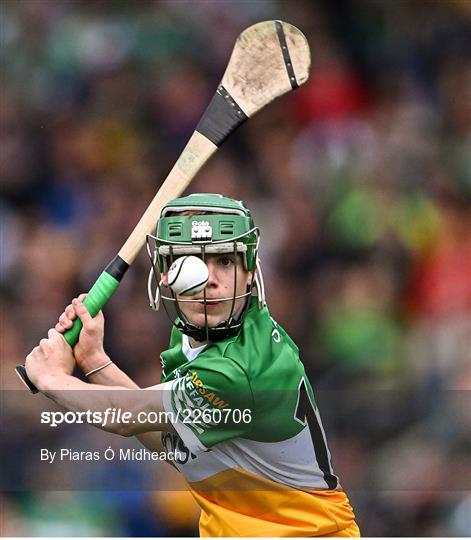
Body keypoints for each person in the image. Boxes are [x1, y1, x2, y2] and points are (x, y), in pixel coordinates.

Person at [25, 193, 360, 537]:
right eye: (191, 263)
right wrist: (95, 361)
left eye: (225, 262)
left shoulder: (237, 369)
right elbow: (176, 444)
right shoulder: (196, 340)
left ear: (249, 273)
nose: (208, 279)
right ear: (167, 276)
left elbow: (125, 417)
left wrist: (52, 379)